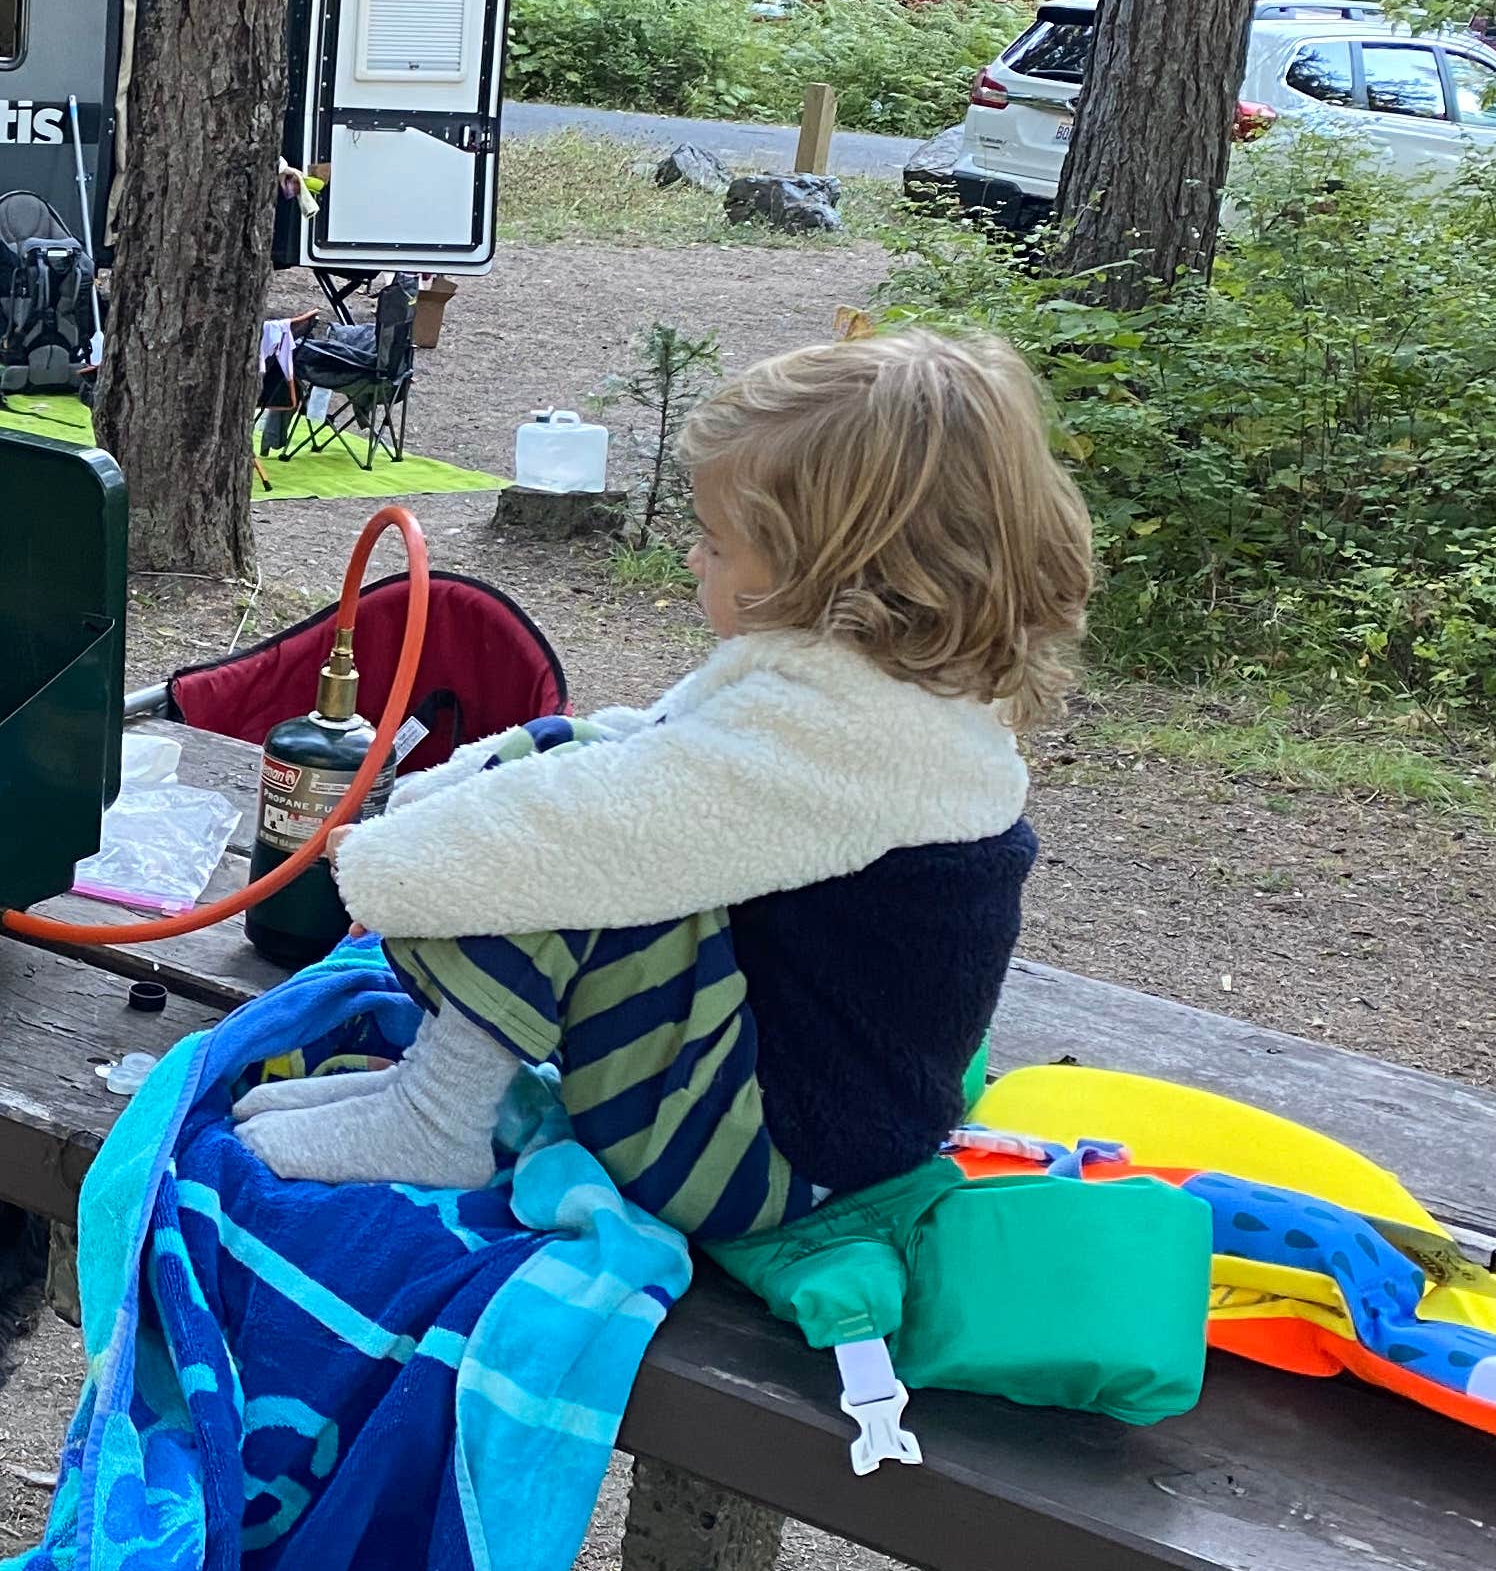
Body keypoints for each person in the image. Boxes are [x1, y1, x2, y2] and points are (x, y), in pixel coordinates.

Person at [231, 326, 1094, 1238]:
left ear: (833, 571)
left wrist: (383, 861)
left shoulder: (847, 734)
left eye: (718, 546)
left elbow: (585, 826)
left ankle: (437, 1120)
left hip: (764, 1160)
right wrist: (436, 801)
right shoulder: (888, 699)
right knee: (576, 769)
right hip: (811, 1120)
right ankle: (438, 1092)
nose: (693, 560)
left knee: (575, 842)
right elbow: (639, 745)